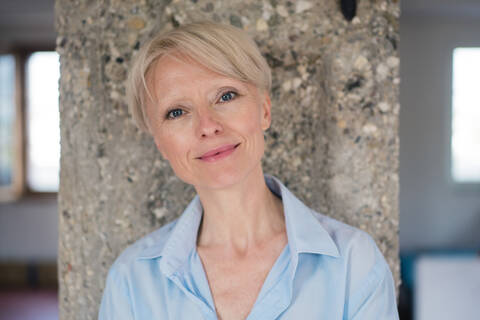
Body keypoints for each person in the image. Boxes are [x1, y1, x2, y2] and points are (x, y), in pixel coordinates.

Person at [98, 21, 399, 320]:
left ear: (264, 110)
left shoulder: (353, 263)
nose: (208, 126)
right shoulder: (131, 280)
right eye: (177, 112)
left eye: (225, 96)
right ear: (161, 144)